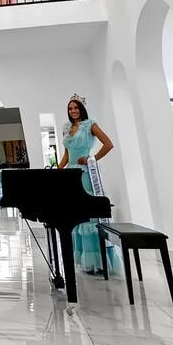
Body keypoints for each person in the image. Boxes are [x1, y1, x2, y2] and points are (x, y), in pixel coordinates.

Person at [57, 94, 114, 275]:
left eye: (76, 108)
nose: (73, 111)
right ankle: (85, 261)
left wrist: (92, 158)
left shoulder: (90, 125)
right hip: (70, 175)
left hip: (85, 173)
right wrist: (57, 169)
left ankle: (98, 261)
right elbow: (67, 154)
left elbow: (108, 144)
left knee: (89, 215)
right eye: (70, 108)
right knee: (75, 216)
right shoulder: (67, 128)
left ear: (81, 109)